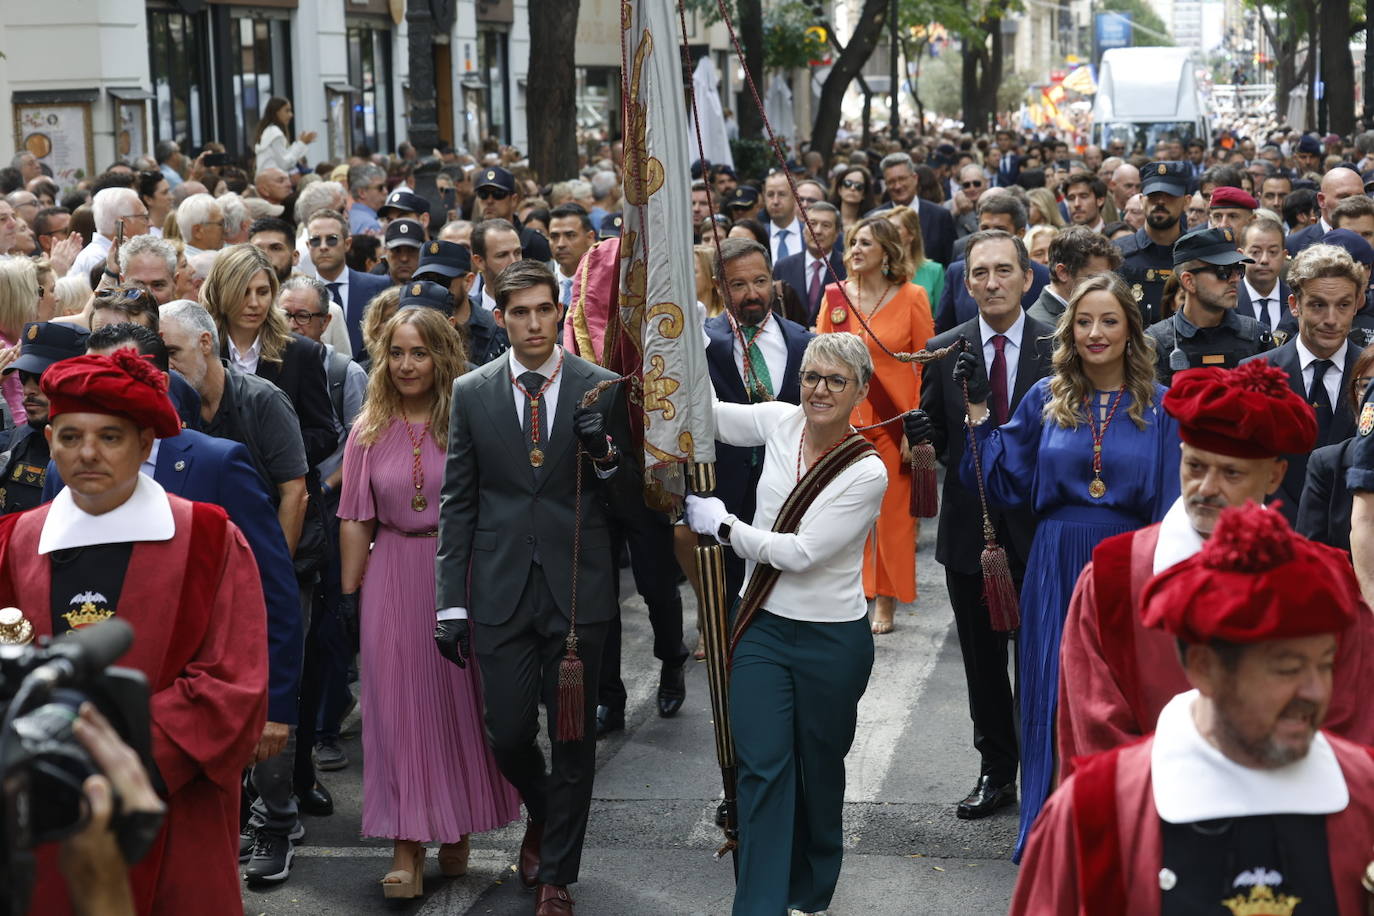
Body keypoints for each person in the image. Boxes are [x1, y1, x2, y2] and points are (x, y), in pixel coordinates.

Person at [0, 348, 267, 915]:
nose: (87, 453)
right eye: (69, 436)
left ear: (146, 444)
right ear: (49, 442)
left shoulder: (208, 539)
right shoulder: (15, 541)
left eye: (110, 437)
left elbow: (230, 685)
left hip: (173, 803)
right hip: (46, 803)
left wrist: (108, 752)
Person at [1013, 503, 1374, 916]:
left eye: (1326, 663)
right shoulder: (1093, 814)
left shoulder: (1366, 796)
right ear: (1203, 668)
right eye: (1287, 669)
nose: (1315, 692)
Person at [1058, 358, 1374, 778]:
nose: (1206, 489)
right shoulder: (1111, 577)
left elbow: (1349, 722)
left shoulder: (1326, 581)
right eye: (1195, 466)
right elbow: (1094, 729)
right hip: (1156, 817)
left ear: (1275, 476)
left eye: (1231, 472)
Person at [433, 260, 634, 916]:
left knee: (574, 740)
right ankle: (545, 812)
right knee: (509, 733)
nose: (534, 322)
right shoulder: (472, 391)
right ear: (500, 316)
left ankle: (556, 874)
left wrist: (604, 452)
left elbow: (633, 503)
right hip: (498, 592)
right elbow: (458, 501)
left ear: (560, 311)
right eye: (519, 312)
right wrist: (451, 600)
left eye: (544, 309)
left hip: (581, 590)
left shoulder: (600, 386)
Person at [961, 272, 1180, 858]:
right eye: (1084, 321)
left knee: (1118, 699)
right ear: (1069, 330)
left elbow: (1169, 502)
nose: (1095, 332)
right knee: (1050, 693)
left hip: (1128, 563)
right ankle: (1050, 820)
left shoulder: (1161, 407)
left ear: (1132, 329)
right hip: (1055, 563)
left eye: (1109, 320)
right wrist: (979, 414)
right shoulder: (1044, 398)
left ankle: (1116, 827)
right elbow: (1002, 482)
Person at [683, 333, 887, 916]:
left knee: (818, 774)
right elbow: (710, 417)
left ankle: (812, 889)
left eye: (834, 381)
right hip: (763, 629)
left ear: (860, 392)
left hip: (832, 641)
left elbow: (800, 553)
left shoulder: (867, 472)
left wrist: (723, 526)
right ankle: (760, 904)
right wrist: (680, 351)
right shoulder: (779, 420)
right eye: (811, 376)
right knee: (763, 769)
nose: (819, 390)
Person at [338, 306, 520, 899]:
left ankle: (455, 822)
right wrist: (350, 591)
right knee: (394, 711)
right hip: (391, 571)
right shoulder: (367, 427)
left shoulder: (470, 418)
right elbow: (354, 516)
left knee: (458, 703)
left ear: (443, 357)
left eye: (419, 352)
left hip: (461, 572)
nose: (406, 364)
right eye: (396, 353)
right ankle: (405, 848)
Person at [912, 229, 1055, 819]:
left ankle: (1048, 773)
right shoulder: (945, 349)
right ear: (964, 282)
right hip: (974, 539)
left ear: (1028, 277)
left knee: (1044, 664)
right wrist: (918, 439)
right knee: (984, 668)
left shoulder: (1061, 344)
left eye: (1003, 271)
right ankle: (996, 771)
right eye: (979, 273)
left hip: (1044, 535)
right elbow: (935, 438)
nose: (991, 283)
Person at [816, 216, 934, 633]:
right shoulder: (834, 297)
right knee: (844, 516)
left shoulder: (912, 296)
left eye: (866, 242)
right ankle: (851, 593)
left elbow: (925, 365)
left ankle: (886, 600)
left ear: (886, 251)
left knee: (893, 520)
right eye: (852, 242)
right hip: (844, 428)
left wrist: (916, 431)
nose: (856, 249)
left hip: (893, 425)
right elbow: (820, 361)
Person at [703, 238, 814, 609]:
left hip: (788, 488)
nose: (753, 293)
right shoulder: (702, 343)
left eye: (761, 281)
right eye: (739, 284)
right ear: (720, 287)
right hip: (725, 489)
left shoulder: (802, 341)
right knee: (731, 590)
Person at [1237, 243, 1363, 523]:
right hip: (1276, 539)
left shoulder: (1371, 373)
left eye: (1343, 305)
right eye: (1318, 305)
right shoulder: (1253, 375)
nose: (1331, 319)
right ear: (1294, 305)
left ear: (1357, 304)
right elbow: (1244, 467)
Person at [1146, 227, 1271, 385]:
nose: (1235, 279)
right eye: (1223, 271)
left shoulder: (1259, 337)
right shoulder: (1155, 343)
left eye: (1238, 269)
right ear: (1189, 281)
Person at [0, 322, 88, 514]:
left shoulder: (94, 456)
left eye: (41, 379)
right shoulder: (13, 443)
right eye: (23, 377)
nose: (29, 390)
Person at [305, 209, 391, 356]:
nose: (323, 246)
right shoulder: (300, 297)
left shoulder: (381, 286)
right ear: (308, 246)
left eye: (332, 239)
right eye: (316, 240)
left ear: (347, 243)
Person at [1116, 161, 1190, 324]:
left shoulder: (1198, 253)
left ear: (1186, 202)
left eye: (1170, 195)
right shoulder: (1117, 254)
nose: (1161, 202)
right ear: (1142, 200)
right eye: (1153, 195)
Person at [868, 152, 955, 266]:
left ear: (915, 178)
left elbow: (949, 262)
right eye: (891, 181)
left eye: (902, 179)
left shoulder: (940, 216)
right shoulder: (874, 219)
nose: (898, 186)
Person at [1026, 225, 1122, 327]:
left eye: (1108, 279)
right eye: (1095, 279)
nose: (1105, 287)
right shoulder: (1043, 327)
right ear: (1062, 272)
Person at [774, 201, 845, 325]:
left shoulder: (848, 267)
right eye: (812, 224)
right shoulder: (783, 267)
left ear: (836, 234)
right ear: (803, 229)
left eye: (826, 225)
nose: (817, 231)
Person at [67, 188, 150, 280]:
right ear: (123, 224)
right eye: (144, 217)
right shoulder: (97, 259)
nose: (150, 223)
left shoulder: (111, 255)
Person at [1236, 216, 1296, 338]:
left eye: (1273, 252)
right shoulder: (1228, 302)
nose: (1264, 260)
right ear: (1241, 256)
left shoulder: (1297, 302)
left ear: (1284, 256)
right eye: (1255, 252)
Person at [0, 256, 40, 423]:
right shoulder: (4, 347)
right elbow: (20, 416)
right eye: (38, 291)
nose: (40, 298)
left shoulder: (16, 340)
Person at [883, 205, 943, 308]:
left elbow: (941, 317)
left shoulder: (935, 271)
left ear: (911, 234)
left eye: (896, 228)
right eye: (887, 229)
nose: (890, 233)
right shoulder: (879, 272)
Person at [253, 97, 317, 173]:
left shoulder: (270, 131)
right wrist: (301, 144)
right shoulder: (274, 132)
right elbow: (285, 164)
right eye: (287, 111)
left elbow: (285, 157)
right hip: (272, 180)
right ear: (276, 112)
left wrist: (299, 143)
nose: (291, 115)